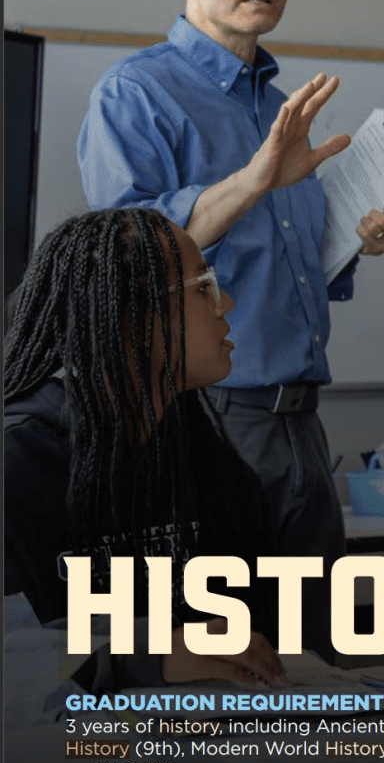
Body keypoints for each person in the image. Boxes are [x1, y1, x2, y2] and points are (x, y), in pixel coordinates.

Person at [77, 0, 384, 658]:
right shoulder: (134, 94)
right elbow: (133, 261)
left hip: (300, 422)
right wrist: (255, 179)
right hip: (206, 424)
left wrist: (363, 234)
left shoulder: (278, 103)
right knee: (224, 675)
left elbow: (282, 263)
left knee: (329, 668)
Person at [4, 208, 285, 692]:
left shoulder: (202, 456)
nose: (226, 303)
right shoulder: (18, 465)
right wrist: (145, 660)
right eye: (203, 288)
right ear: (128, 315)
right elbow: (15, 666)